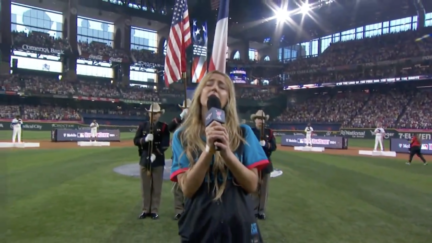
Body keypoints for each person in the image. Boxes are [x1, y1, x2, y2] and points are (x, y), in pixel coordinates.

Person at [170, 70, 268, 242]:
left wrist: (228, 154)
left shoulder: (243, 133)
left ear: (228, 98)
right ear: (200, 93)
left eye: (222, 87)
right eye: (209, 84)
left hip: (239, 225)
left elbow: (252, 185)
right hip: (199, 225)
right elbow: (187, 189)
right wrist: (208, 151)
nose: (214, 88)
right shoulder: (181, 136)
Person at [133, 103, 170, 220]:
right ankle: (145, 210)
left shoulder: (164, 127)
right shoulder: (143, 126)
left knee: (156, 187)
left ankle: (154, 210)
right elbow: (135, 140)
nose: (153, 115)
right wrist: (144, 139)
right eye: (151, 113)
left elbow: (165, 144)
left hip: (157, 160)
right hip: (144, 160)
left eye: (155, 113)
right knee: (145, 187)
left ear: (159, 114)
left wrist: (155, 154)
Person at [250, 110, 276, 220]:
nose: (260, 121)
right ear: (255, 120)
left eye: (262, 119)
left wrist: (267, 144)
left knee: (264, 189)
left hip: (265, 163)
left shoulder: (269, 132)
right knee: (254, 188)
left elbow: (274, 147)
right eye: (258, 118)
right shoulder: (250, 132)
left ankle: (261, 211)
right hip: (254, 163)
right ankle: (254, 209)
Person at [168, 98, 191, 220]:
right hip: (177, 156)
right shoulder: (178, 121)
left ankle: (189, 208)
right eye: (184, 109)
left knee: (192, 182)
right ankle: (179, 210)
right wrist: (181, 116)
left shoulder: (195, 121)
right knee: (178, 185)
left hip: (192, 157)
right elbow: (169, 128)